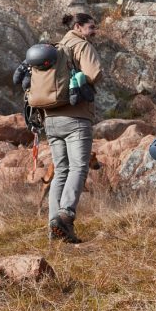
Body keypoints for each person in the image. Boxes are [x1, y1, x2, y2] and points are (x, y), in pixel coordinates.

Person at [47, 12, 102, 243]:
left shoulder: (54, 49)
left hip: (50, 118)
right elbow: (95, 74)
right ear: (78, 27)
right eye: (91, 27)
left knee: (61, 171)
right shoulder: (81, 45)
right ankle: (66, 214)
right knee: (79, 167)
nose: (94, 31)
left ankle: (54, 227)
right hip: (76, 117)